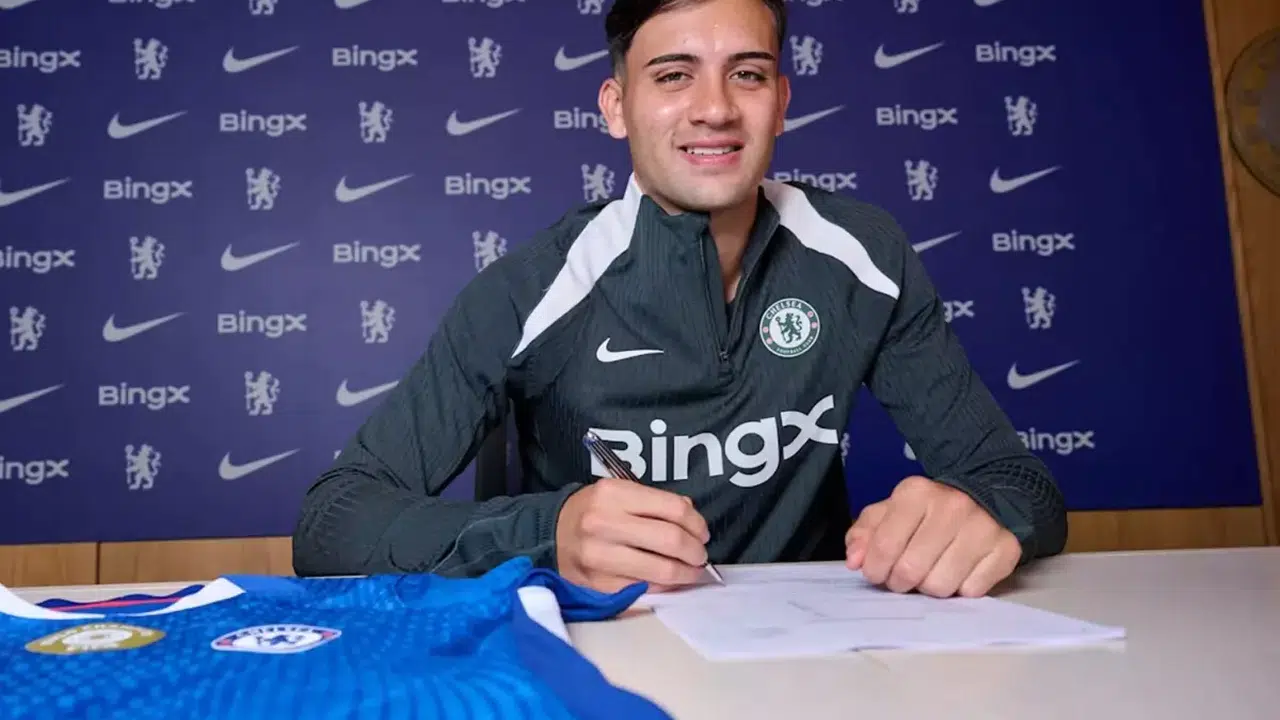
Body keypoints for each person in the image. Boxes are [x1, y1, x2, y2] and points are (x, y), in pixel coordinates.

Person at [292, 0, 1068, 599]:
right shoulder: (532, 286)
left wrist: (981, 513)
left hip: (810, 664)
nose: (715, 108)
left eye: (747, 74)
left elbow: (1020, 484)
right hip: (600, 660)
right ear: (616, 106)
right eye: (673, 76)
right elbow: (332, 524)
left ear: (781, 100)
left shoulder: (864, 254)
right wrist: (547, 532)